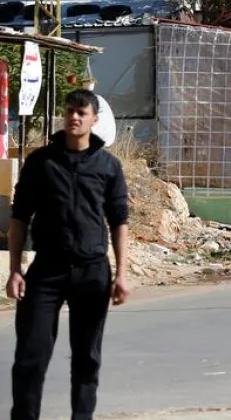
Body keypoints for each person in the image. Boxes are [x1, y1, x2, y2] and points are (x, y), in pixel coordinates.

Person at [9, 90, 130, 420]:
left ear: (94, 119)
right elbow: (19, 217)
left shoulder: (108, 166)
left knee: (87, 356)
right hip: (46, 271)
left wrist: (121, 273)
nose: (74, 117)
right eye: (70, 111)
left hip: (92, 271)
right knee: (30, 356)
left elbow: (119, 220)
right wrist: (15, 270)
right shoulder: (41, 162)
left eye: (81, 112)